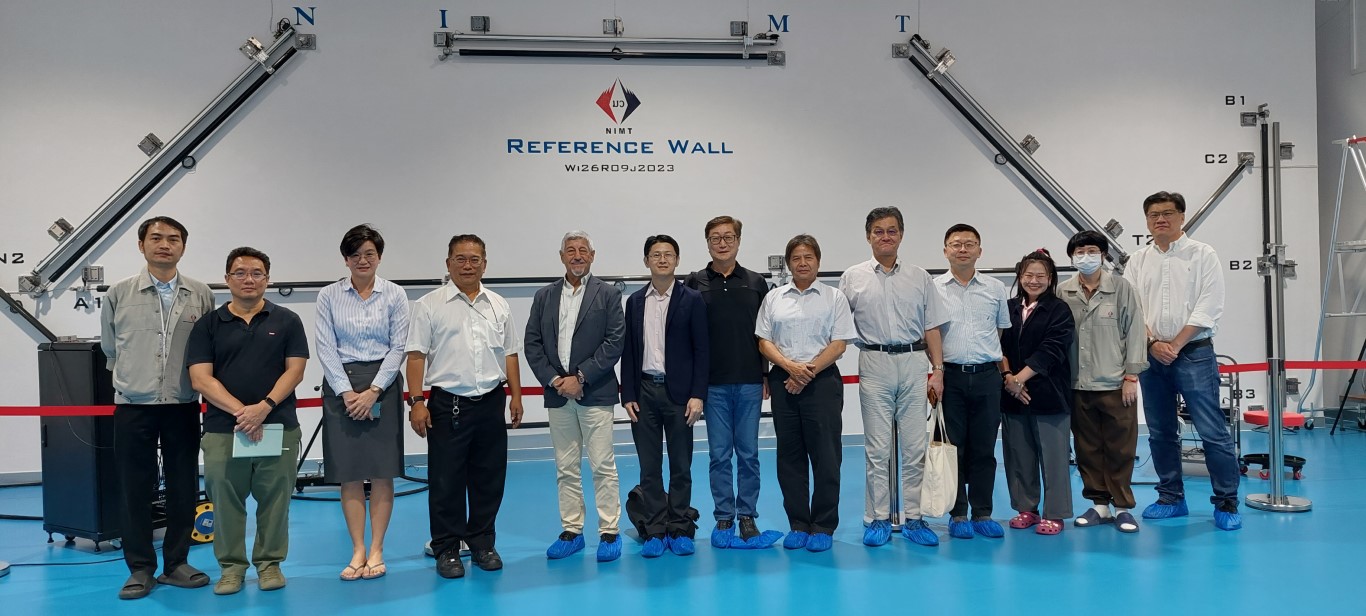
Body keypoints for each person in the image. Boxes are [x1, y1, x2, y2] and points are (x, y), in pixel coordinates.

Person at [100, 216, 216, 600]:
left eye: (173, 239)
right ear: (141, 245)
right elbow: (111, 348)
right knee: (134, 487)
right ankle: (140, 568)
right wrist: (135, 381)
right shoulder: (118, 293)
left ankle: (176, 563)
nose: (165, 244)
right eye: (156, 238)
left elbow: (206, 348)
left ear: (183, 246)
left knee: (184, 485)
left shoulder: (201, 294)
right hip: (134, 405)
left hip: (182, 403)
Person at [187, 247, 309, 594]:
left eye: (257, 273)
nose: (248, 279)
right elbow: (200, 379)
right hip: (224, 430)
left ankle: (270, 565)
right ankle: (231, 569)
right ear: (227, 279)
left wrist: (264, 407)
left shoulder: (287, 321)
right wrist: (244, 412)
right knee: (226, 504)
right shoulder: (208, 325)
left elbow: (295, 371)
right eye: (240, 272)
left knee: (275, 501)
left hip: (277, 426)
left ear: (267, 279)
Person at [406, 234, 525, 579]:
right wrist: (417, 402)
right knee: (446, 481)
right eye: (460, 259)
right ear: (448, 264)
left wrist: (516, 396)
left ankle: (483, 543)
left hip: (491, 401)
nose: (468, 265)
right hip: (448, 405)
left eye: (475, 259)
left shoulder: (498, 304)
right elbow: (416, 356)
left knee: (490, 477)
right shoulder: (429, 305)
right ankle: (446, 548)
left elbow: (510, 354)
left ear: (484, 264)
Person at [1124, 191, 1241, 531]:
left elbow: (1209, 306)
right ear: (1147, 221)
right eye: (1154, 215)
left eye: (1168, 213)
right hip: (1151, 355)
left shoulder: (1203, 254)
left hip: (1193, 353)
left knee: (1212, 431)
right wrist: (1152, 343)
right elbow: (1132, 307)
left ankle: (1226, 502)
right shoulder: (1138, 260)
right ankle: (1171, 498)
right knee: (1161, 431)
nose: (1161, 219)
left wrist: (1174, 345)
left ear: (1181, 217)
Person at [839, 207, 949, 548]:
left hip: (914, 361)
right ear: (868, 236)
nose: (885, 236)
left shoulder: (920, 277)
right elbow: (838, 326)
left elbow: (932, 326)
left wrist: (938, 370)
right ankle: (877, 518)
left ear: (901, 234)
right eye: (878, 231)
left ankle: (914, 518)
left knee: (915, 447)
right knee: (877, 449)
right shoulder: (852, 277)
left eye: (891, 230)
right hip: (874, 361)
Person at [314, 224, 410, 580]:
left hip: (383, 384)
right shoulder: (328, 296)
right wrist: (347, 393)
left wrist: (373, 392)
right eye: (355, 255)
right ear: (345, 259)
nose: (362, 260)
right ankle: (357, 549)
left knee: (383, 471)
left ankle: (377, 549)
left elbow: (398, 347)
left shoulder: (395, 294)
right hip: (342, 387)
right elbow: (325, 347)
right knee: (349, 472)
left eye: (369, 253)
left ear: (379, 257)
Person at [524, 231, 626, 562]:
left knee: (602, 465)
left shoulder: (608, 295)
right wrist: (557, 380)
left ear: (592, 256)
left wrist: (580, 377)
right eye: (571, 250)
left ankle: (609, 531)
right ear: (561, 256)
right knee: (566, 466)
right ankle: (572, 530)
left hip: (595, 392)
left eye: (583, 250)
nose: (577, 255)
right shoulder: (544, 296)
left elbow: (615, 341)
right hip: (558, 395)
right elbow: (532, 344)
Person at [758, 234, 857, 553]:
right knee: (790, 456)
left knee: (826, 455)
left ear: (818, 261)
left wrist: (806, 373)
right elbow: (764, 341)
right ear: (789, 263)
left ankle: (824, 525)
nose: (802, 263)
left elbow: (839, 344)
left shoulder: (834, 297)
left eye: (808, 257)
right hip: (784, 380)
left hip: (822, 382)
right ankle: (798, 524)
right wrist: (790, 367)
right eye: (796, 258)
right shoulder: (774, 298)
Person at [684, 216, 772, 548]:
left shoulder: (756, 282)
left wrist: (765, 374)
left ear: (738, 241)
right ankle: (724, 515)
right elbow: (688, 336)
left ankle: (747, 515)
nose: (722, 243)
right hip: (712, 386)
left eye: (728, 237)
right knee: (719, 455)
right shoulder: (694, 282)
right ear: (707, 243)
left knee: (749, 454)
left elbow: (765, 334)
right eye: (715, 238)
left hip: (749, 381)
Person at [620, 234, 709, 558]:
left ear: (677, 260)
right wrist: (628, 393)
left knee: (681, 464)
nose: (662, 259)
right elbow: (629, 351)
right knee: (649, 466)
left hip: (680, 395)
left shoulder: (692, 299)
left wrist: (698, 395)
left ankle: (680, 527)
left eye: (668, 254)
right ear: (646, 260)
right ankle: (655, 530)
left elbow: (702, 350)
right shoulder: (634, 302)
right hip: (644, 393)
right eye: (655, 254)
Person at [1058, 230, 1147, 533]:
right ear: (1072, 257)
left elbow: (1135, 332)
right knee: (1087, 448)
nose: (1086, 257)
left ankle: (1122, 507)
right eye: (1080, 252)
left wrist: (1131, 376)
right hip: (1077, 384)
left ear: (1104, 255)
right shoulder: (1063, 291)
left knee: (1121, 448)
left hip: (1115, 383)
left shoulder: (1121, 288)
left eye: (1092, 251)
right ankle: (1099, 505)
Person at [933, 223, 1011, 540]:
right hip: (950, 376)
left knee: (984, 448)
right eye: (956, 244)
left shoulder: (995, 288)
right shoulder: (933, 288)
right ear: (945, 251)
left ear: (980, 250)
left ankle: (982, 512)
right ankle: (958, 513)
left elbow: (1000, 331)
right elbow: (930, 334)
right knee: (954, 448)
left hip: (987, 377)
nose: (962, 249)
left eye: (969, 244)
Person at [1000, 249, 1075, 536]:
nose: (1034, 280)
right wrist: (1008, 378)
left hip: (1049, 394)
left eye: (1040, 276)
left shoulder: (1059, 309)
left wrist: (1020, 379)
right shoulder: (1008, 307)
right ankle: (1026, 508)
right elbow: (997, 345)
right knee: (1019, 455)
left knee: (1054, 458)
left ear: (1051, 278)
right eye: (1028, 275)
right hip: (1012, 395)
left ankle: (1054, 513)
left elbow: (1052, 349)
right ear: (1019, 276)